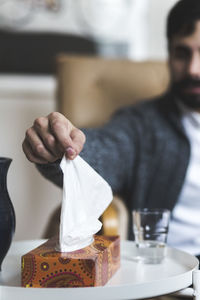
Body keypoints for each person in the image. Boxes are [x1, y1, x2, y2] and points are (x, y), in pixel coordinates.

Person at [23, 0, 200, 257]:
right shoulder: (143, 124)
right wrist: (61, 146)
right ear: (169, 53)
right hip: (168, 271)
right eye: (182, 54)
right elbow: (103, 153)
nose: (193, 69)